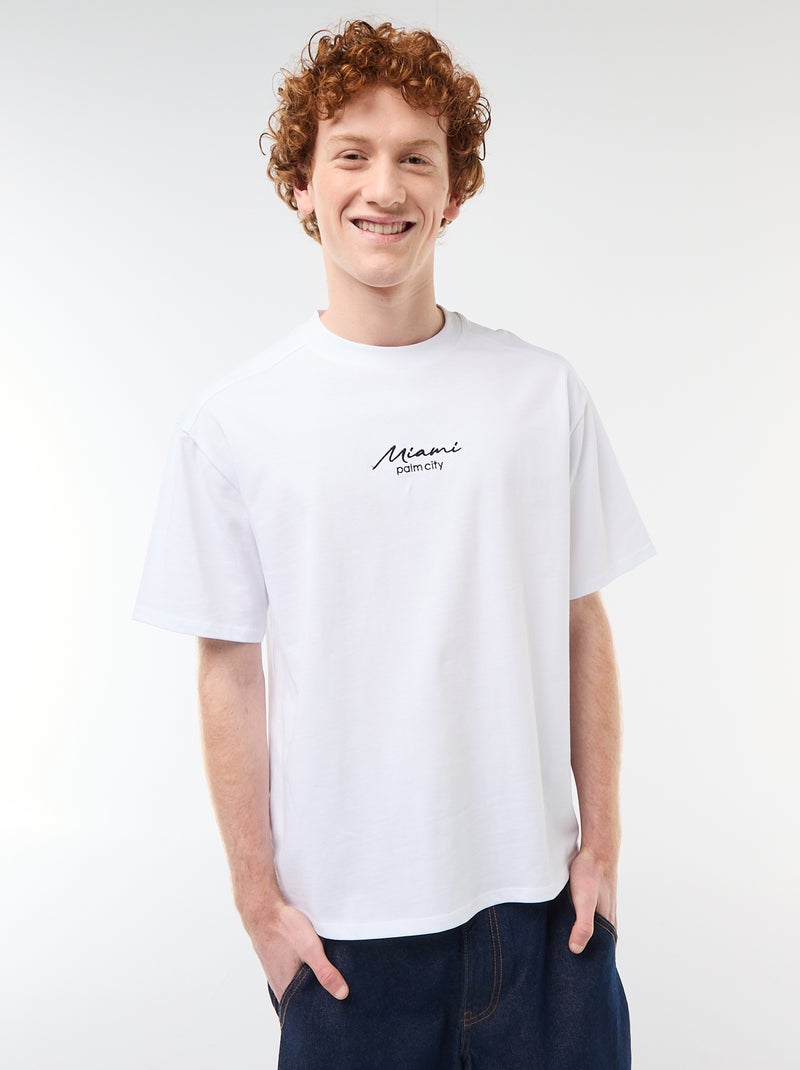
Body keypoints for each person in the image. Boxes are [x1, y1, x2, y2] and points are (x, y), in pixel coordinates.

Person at [132, 19, 655, 1069]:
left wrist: (599, 848)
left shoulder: (539, 393)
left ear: (453, 191)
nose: (385, 186)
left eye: (417, 157)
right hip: (344, 939)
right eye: (351, 154)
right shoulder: (234, 423)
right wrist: (257, 903)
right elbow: (228, 668)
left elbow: (580, 621)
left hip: (542, 917)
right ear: (302, 184)